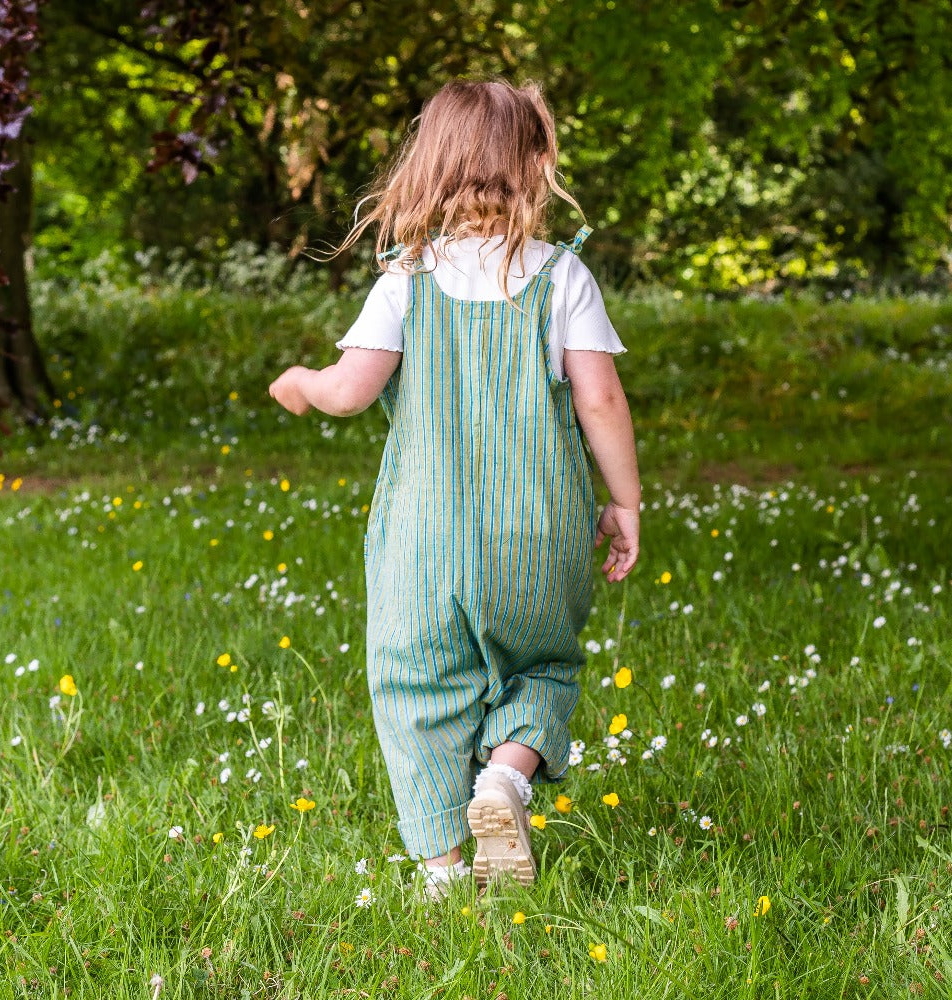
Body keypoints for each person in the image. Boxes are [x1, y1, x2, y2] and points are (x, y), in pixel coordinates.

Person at [269, 78, 640, 903]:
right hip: (537, 536)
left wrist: (299, 381)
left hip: (421, 546)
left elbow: (350, 389)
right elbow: (601, 400)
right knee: (541, 667)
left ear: (428, 169)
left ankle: (442, 872)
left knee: (416, 687)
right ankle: (505, 780)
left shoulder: (406, 279)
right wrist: (625, 503)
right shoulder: (562, 279)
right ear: (538, 164)